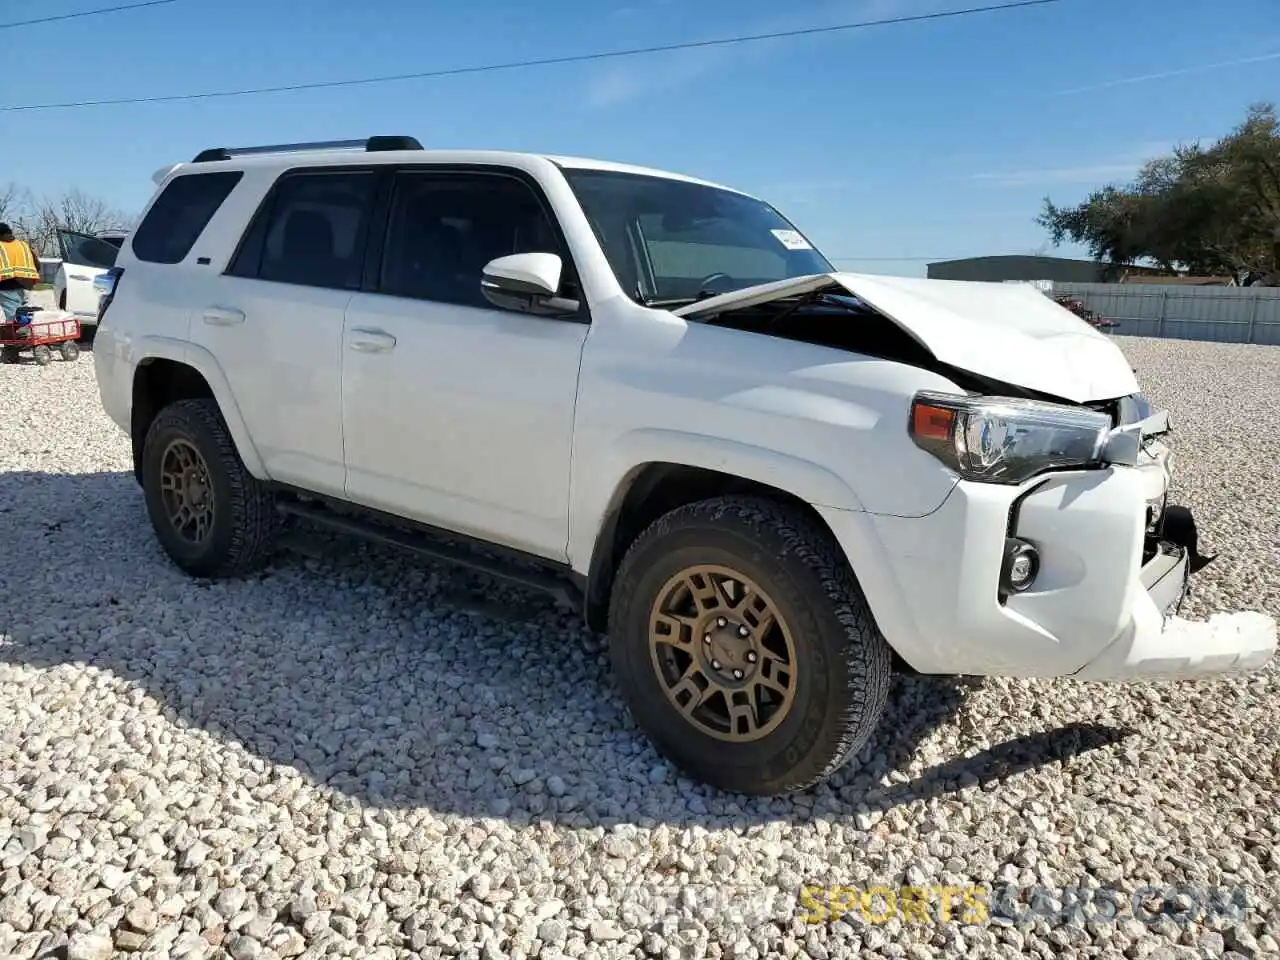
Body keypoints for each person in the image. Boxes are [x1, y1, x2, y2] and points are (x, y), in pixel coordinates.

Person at [0, 223, 41, 322]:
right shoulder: (23, 245)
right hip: (25, 285)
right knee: (19, 310)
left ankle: (18, 333)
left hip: (6, 285)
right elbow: (37, 265)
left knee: (13, 316)